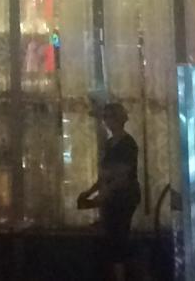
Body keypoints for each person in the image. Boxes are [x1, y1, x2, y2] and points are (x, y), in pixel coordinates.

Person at [76, 100, 142, 281]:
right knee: (113, 238)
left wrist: (101, 196)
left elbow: (123, 176)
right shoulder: (111, 143)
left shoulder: (128, 143)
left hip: (124, 196)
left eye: (108, 117)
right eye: (104, 118)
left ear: (118, 119)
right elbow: (104, 176)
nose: (106, 121)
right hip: (113, 195)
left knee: (118, 238)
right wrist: (90, 192)